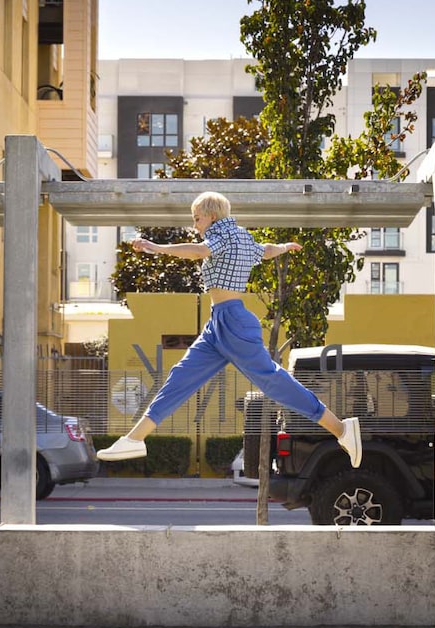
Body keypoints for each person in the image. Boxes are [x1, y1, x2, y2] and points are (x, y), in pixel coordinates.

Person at [96, 191, 362, 468]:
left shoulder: (221, 234)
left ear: (212, 216)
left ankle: (341, 428)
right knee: (181, 377)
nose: (195, 225)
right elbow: (265, 251)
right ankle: (135, 438)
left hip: (233, 322)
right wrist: (284, 247)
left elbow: (199, 252)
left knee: (273, 381)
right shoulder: (242, 236)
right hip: (218, 324)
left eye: (197, 219)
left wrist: (156, 247)